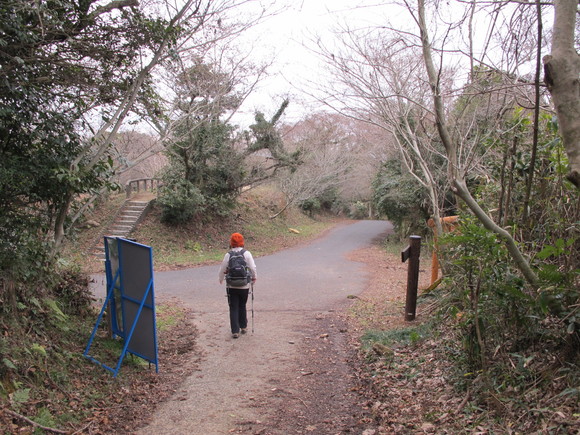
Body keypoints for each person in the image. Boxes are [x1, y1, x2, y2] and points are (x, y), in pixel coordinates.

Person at [218, 233, 257, 339]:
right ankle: (243, 326)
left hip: (231, 285)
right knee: (242, 305)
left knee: (233, 307)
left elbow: (222, 268)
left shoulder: (228, 254)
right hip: (244, 285)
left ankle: (235, 331)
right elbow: (252, 267)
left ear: (231, 243)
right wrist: (254, 277)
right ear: (242, 242)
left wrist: (221, 279)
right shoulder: (246, 253)